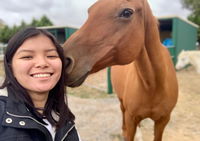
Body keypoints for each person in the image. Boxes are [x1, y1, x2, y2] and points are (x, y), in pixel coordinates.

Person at [0, 27, 81, 141]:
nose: (42, 63)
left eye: (51, 56)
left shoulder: (63, 118)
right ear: (10, 66)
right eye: (27, 57)